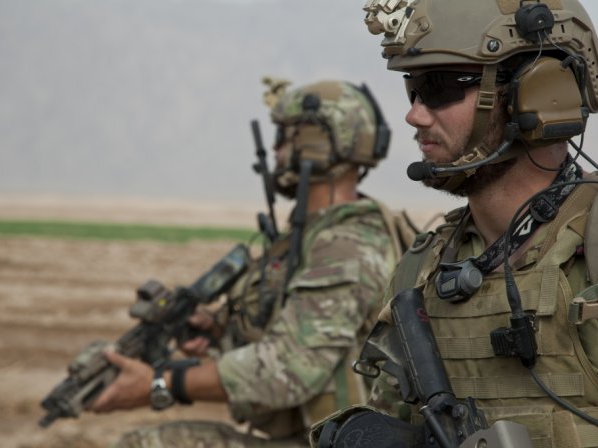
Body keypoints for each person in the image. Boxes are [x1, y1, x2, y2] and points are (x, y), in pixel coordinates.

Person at [310, 1, 598, 447]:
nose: (415, 114)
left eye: (438, 86)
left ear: (536, 92)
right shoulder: (421, 271)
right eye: (413, 87)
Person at [90, 78, 416, 447]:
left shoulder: (347, 244)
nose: (275, 149)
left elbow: (291, 367)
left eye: (284, 136)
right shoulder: (312, 235)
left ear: (316, 142)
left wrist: (161, 384)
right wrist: (218, 335)